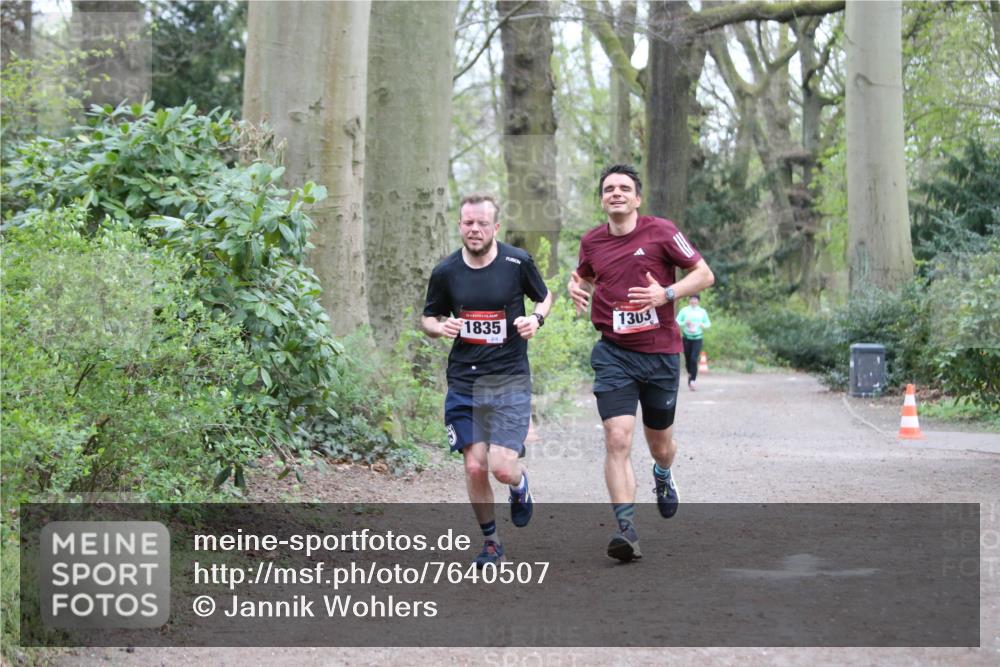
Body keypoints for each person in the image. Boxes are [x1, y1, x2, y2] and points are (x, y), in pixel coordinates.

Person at [567, 164, 714, 562]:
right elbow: (584, 276)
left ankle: (662, 474)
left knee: (660, 446)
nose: (615, 193)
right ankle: (626, 530)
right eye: (608, 189)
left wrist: (667, 294)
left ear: (637, 198)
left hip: (660, 354)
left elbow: (704, 274)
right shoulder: (591, 241)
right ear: (602, 200)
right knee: (617, 438)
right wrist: (574, 286)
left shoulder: (661, 232)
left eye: (623, 188)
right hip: (614, 353)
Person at [421, 193, 553, 568]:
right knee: (475, 466)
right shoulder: (446, 271)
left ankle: (520, 485)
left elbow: (544, 297)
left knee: (502, 468)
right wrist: (439, 327)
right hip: (464, 381)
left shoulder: (516, 262)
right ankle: (492, 543)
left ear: (495, 227)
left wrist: (536, 320)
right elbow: (428, 317)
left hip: (509, 379)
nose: (474, 229)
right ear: (460, 225)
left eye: (482, 223)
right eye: (468, 223)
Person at [675, 294, 711, 391]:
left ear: (698, 301)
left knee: (694, 359)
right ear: (689, 300)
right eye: (692, 299)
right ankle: (690, 373)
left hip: (698, 338)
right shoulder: (684, 311)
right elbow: (676, 322)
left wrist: (702, 325)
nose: (693, 301)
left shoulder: (702, 311)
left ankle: (692, 381)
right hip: (686, 338)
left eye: (695, 299)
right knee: (688, 360)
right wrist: (684, 323)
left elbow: (708, 324)